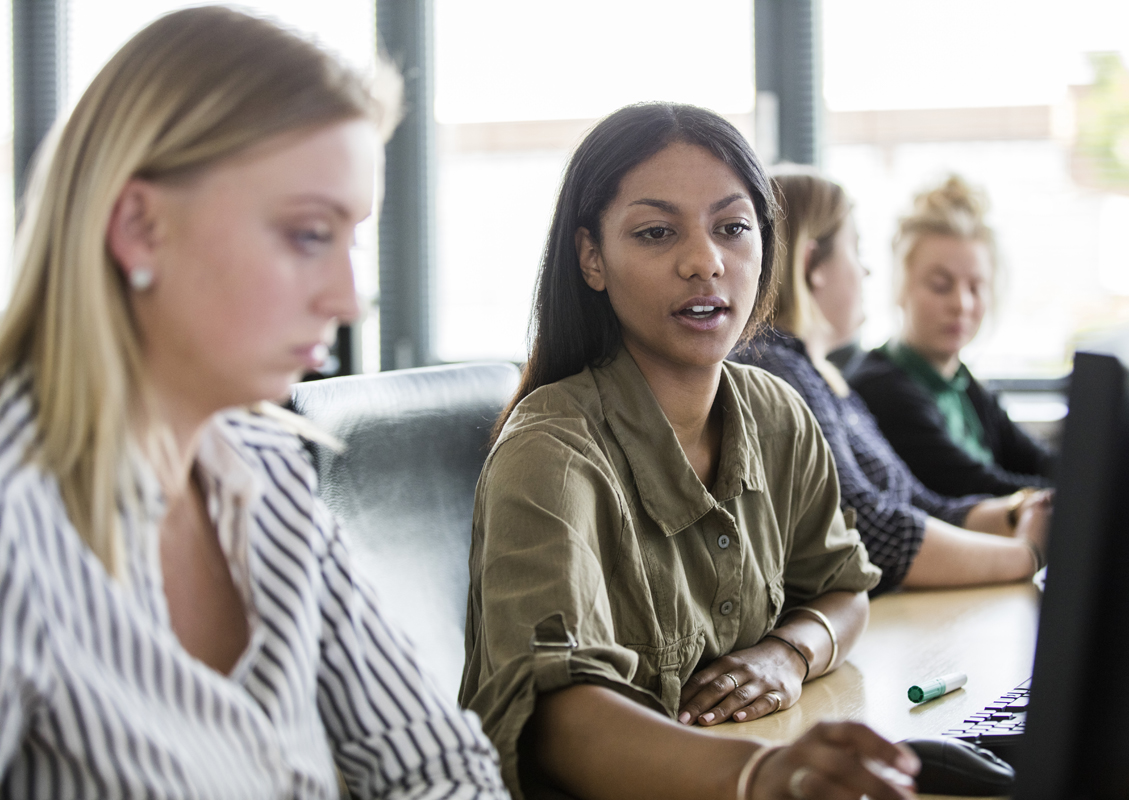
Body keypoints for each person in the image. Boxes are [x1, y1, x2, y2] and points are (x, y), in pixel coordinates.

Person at [0, 8, 507, 797]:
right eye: (308, 234)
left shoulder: (266, 468)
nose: (349, 298)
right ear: (139, 226)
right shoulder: (18, 517)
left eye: (354, 240)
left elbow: (437, 765)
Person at [460, 104, 920, 800]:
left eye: (733, 228)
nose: (705, 261)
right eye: (655, 232)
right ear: (592, 257)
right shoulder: (551, 453)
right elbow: (558, 717)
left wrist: (788, 653)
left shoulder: (776, 414)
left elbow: (843, 587)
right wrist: (764, 774)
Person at [731, 166, 1050, 593]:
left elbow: (921, 505)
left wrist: (1020, 510)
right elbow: (868, 532)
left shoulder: (822, 377)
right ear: (812, 265)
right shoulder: (777, 374)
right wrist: (1026, 554)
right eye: (855, 250)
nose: (865, 272)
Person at [847, 175, 1055, 497]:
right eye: (941, 286)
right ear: (901, 286)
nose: (962, 304)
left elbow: (1037, 461)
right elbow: (979, 488)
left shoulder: (959, 381)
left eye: (975, 287)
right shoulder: (881, 389)